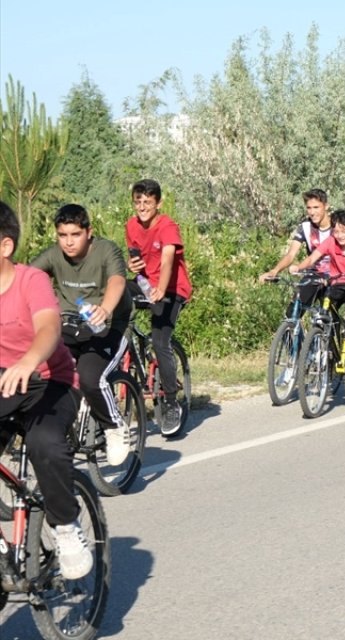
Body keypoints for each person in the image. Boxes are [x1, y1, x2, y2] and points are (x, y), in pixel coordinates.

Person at [0, 201, 94, 580]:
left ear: (5, 247)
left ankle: (67, 527)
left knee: (44, 444)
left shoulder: (29, 281)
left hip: (49, 381)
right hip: (7, 384)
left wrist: (28, 360)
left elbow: (49, 327)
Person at [30, 204, 133, 465]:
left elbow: (117, 281)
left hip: (111, 327)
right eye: (62, 235)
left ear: (89, 232)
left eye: (75, 234)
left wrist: (105, 309)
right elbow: (28, 277)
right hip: (70, 325)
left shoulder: (106, 250)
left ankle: (115, 427)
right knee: (41, 369)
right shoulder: (54, 255)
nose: (68, 242)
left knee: (90, 377)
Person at [125, 179, 192, 434]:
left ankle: (172, 403)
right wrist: (133, 267)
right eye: (138, 202)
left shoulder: (167, 226)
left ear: (158, 203)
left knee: (160, 341)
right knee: (115, 291)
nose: (142, 207)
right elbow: (135, 258)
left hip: (172, 289)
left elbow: (167, 260)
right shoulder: (131, 225)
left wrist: (161, 289)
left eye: (148, 202)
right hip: (146, 284)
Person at [290, 208, 345, 380]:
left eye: (344, 231)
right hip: (338, 284)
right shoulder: (330, 242)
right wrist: (299, 267)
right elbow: (313, 258)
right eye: (336, 231)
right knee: (324, 315)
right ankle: (331, 354)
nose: (340, 235)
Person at [259, 188, 334, 308]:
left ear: (326, 206)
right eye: (309, 208)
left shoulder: (338, 226)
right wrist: (274, 271)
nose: (312, 212)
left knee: (330, 317)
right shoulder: (305, 227)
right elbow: (290, 254)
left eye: (316, 207)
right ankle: (291, 326)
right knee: (294, 309)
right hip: (314, 274)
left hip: (335, 275)